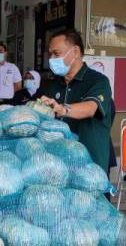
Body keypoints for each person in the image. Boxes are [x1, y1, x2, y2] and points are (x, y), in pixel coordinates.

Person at [40, 28, 112, 172]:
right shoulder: (52, 85)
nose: (51, 60)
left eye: (56, 54)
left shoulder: (98, 81)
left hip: (90, 167)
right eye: (50, 54)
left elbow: (91, 108)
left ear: (76, 52)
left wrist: (63, 109)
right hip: (59, 166)